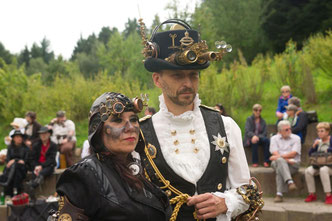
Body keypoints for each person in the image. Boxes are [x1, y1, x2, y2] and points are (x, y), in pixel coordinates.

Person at [137, 18, 262, 220]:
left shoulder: (226, 126)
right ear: (157, 80)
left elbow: (247, 191)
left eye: (193, 75)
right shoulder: (140, 134)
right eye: (178, 76)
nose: (188, 83)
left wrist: (225, 203)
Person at [53, 92, 171, 220]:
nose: (130, 127)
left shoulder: (144, 167)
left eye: (133, 119)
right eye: (118, 120)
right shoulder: (84, 175)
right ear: (99, 130)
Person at [269, 120, 301, 203]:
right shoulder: (274, 138)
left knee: (280, 168)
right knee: (280, 162)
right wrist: (284, 159)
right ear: (280, 131)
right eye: (286, 130)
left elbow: (293, 154)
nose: (289, 131)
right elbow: (274, 152)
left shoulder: (296, 138)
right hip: (279, 163)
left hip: (293, 164)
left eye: (290, 129)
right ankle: (290, 182)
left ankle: (279, 194)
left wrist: (279, 158)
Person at [304, 122, 332, 204]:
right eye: (318, 131)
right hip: (318, 165)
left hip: (330, 166)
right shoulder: (317, 141)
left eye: (322, 131)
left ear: (327, 132)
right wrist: (313, 146)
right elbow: (310, 154)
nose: (319, 133)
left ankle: (328, 195)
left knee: (323, 170)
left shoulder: (331, 139)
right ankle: (312, 194)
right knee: (308, 171)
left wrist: (327, 150)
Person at [0, 129, 30, 196]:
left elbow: (26, 160)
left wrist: (15, 160)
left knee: (16, 166)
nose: (19, 138)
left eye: (20, 137)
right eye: (17, 137)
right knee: (15, 168)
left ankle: (8, 185)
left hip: (22, 168)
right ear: (13, 139)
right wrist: (15, 161)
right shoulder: (10, 147)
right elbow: (8, 160)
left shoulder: (26, 148)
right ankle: (16, 189)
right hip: (11, 168)